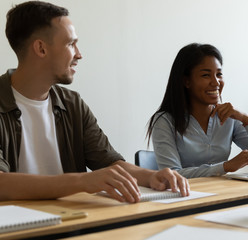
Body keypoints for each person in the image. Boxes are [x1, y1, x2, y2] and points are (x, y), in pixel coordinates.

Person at [0, 1, 189, 203]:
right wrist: (83, 181)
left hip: (72, 220)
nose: (79, 54)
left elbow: (108, 162)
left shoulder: (72, 104)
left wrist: (151, 176)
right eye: (71, 44)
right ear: (41, 48)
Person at [146, 43, 248, 178]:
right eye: (206, 75)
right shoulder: (164, 121)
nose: (216, 82)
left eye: (219, 74)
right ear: (186, 81)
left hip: (222, 193)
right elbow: (173, 175)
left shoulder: (229, 117)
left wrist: (247, 119)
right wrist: (225, 166)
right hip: (186, 197)